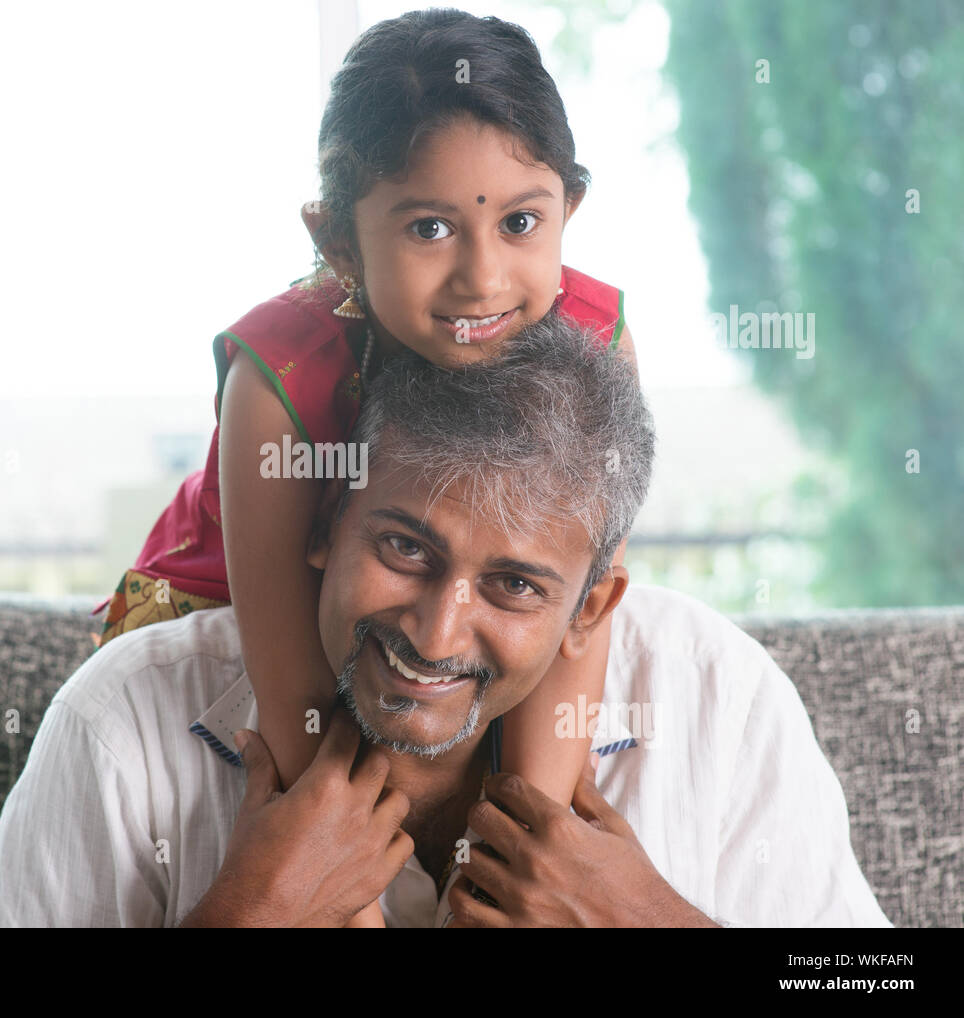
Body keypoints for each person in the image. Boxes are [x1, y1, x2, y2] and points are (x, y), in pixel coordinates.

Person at [0, 315, 892, 928]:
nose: (437, 636)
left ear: (590, 608)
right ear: (325, 524)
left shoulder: (721, 697)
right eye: (405, 550)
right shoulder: (125, 722)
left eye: (516, 587)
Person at [90, 8, 631, 927]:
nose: (482, 279)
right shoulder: (281, 377)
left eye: (521, 221)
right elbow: (294, 681)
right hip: (252, 592)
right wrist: (352, 900)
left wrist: (508, 870)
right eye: (428, 228)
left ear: (568, 211)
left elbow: (572, 622)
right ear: (338, 241)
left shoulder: (593, 342)